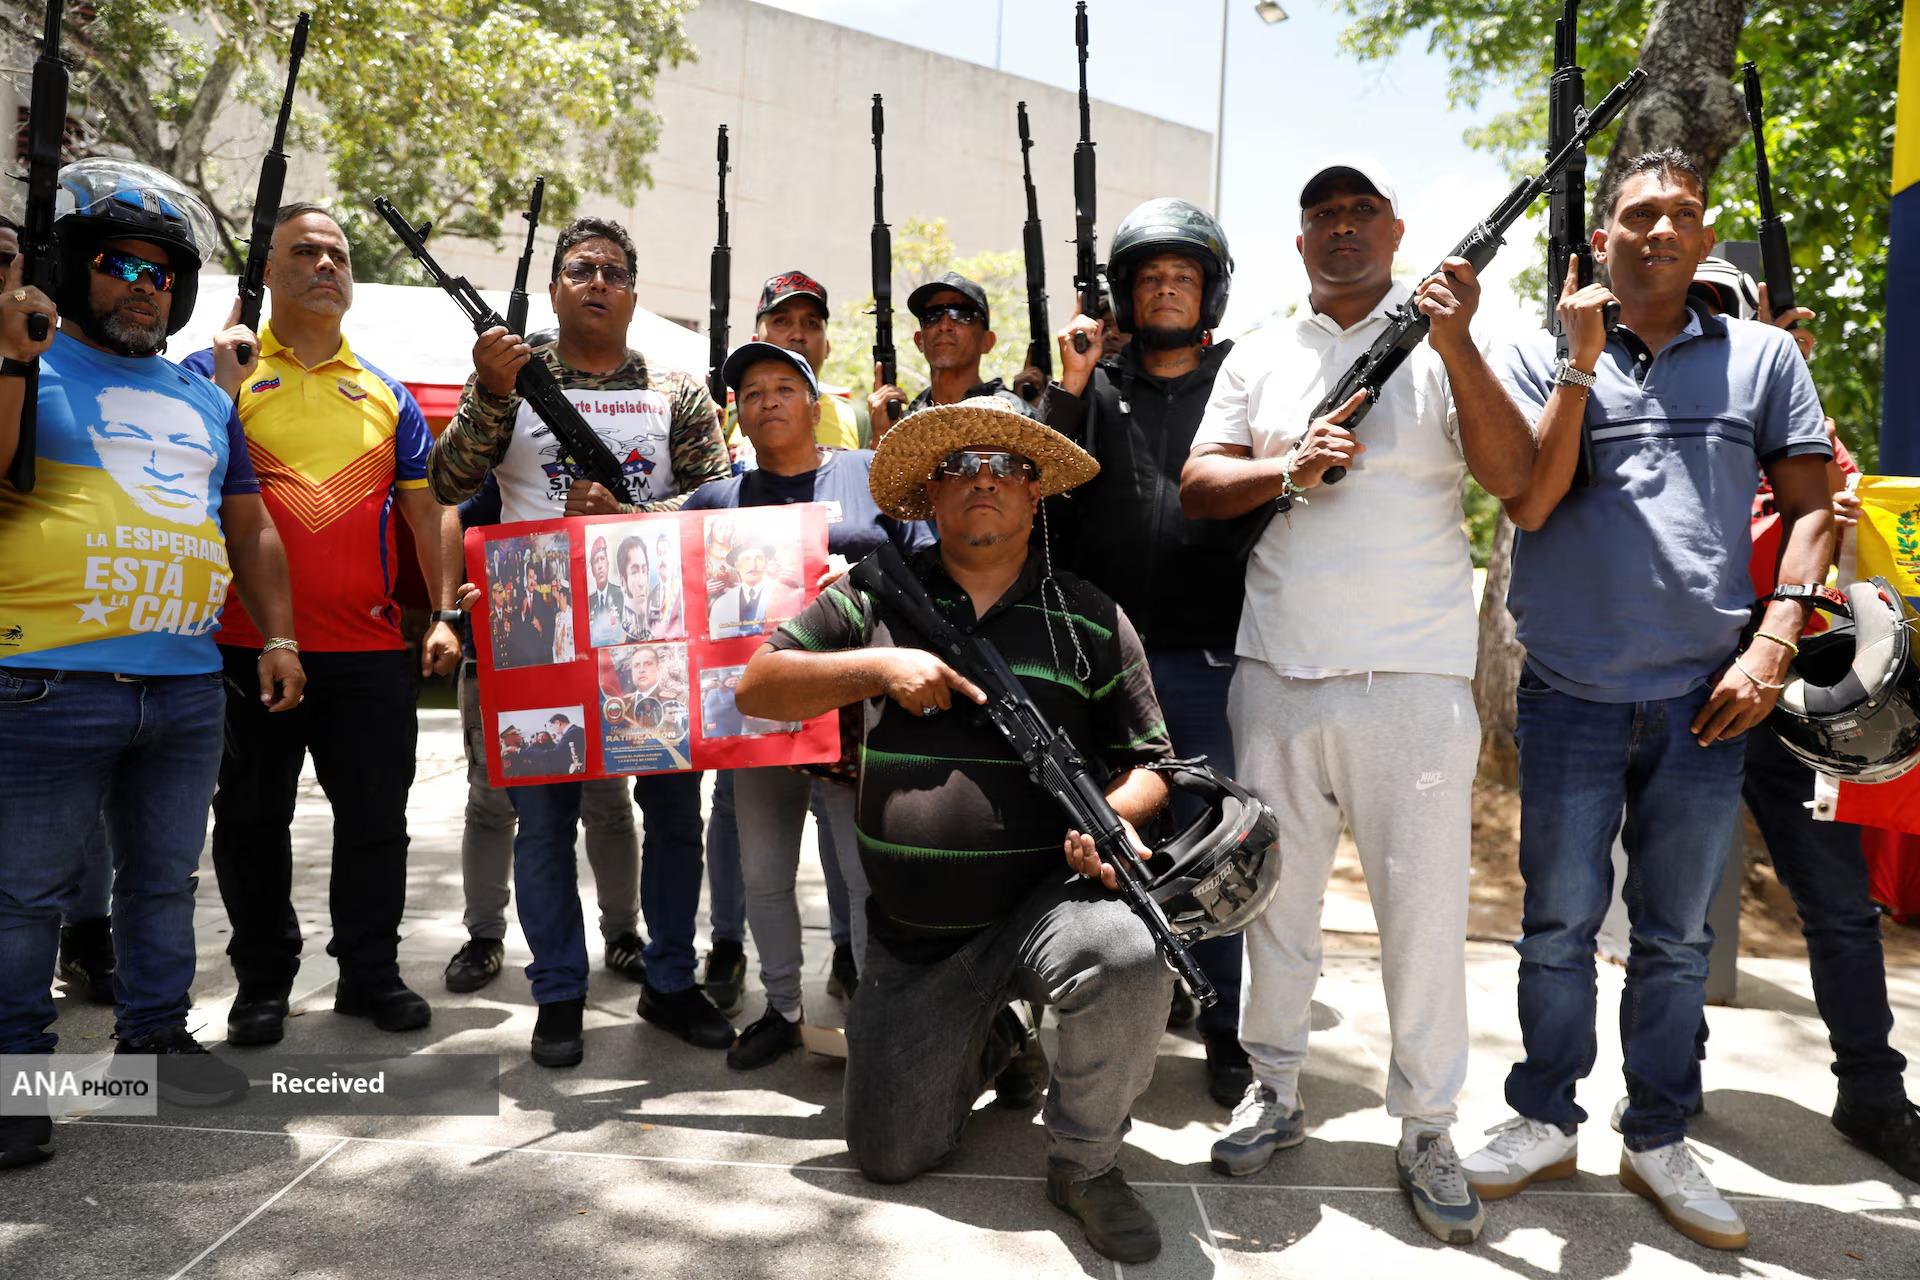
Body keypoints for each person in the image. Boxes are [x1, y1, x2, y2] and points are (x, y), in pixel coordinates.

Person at [1462, 150, 1834, 1253]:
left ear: (1703, 235)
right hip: (1569, 688)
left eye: (1682, 213)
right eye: (1639, 213)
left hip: (1707, 696)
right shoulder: (1539, 349)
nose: (1662, 228)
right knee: (1556, 926)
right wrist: (1578, 365)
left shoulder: (1764, 356)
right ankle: (1544, 1116)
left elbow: (1815, 511)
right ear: (1603, 238)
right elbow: (1527, 502)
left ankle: (1659, 1133)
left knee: (1674, 937)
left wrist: (1774, 643)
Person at [1179, 157, 1534, 1245]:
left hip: (1413, 680)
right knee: (1274, 903)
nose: (1342, 226)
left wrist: (1456, 339)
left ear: (1396, 229)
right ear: (1298, 243)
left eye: (1360, 211)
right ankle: (1275, 1087)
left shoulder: (1450, 339)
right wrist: (1288, 469)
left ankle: (1427, 1125)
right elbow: (1201, 483)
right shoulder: (1258, 353)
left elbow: (1513, 475)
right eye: (1322, 213)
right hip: (1277, 671)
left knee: (1421, 916)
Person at [734, 397, 1176, 1264]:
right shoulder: (876, 592)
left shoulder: (1089, 614)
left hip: (1049, 908)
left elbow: (1154, 764)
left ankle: (1086, 1164)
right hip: (915, 939)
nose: (984, 480)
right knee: (888, 1158)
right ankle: (1000, 1040)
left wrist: (1113, 820)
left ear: (1034, 491)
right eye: (961, 467)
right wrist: (879, 665)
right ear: (930, 493)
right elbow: (758, 687)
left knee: (1132, 953)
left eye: (1006, 466)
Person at [0, 159, 304, 1170]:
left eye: (163, 273)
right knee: (23, 895)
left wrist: (279, 636)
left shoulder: (202, 397)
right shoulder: (26, 360)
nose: (145, 286)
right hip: (45, 680)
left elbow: (249, 525)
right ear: (72, 265)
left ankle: (157, 1040)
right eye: (122, 265)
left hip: (184, 683)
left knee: (164, 880)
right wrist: (10, 356)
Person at [430, 215, 733, 1066]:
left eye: (614, 271)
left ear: (632, 294)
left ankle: (670, 982)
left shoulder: (675, 390)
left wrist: (630, 513)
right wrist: (490, 393)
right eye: (580, 269)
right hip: (536, 634)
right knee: (542, 827)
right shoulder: (511, 377)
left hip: (651, 633)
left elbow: (719, 500)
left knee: (673, 819)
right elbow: (446, 481)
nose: (598, 282)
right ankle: (558, 993)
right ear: (555, 289)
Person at [176, 203, 459, 1046]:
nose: (327, 265)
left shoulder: (387, 393)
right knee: (250, 821)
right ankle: (263, 982)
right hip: (244, 646)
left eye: (338, 255)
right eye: (305, 252)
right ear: (267, 271)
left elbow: (428, 512)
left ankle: (370, 974)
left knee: (376, 823)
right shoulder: (215, 371)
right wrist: (219, 386)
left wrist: (444, 612)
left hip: (370, 653)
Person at [1676, 259, 1920, 1181]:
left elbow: (1835, 524)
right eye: (1690, 305)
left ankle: (1874, 1095)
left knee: (1839, 907)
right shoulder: (1655, 412)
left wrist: (1846, 516)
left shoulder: (1795, 412)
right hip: (1686, 689)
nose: (1702, 322)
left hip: (1791, 690)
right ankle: (1668, 1076)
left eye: (1722, 308)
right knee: (1676, 909)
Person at [1046, 196, 1261, 1107]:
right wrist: (1069, 383)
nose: (1166, 289)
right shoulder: (1094, 384)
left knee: (1214, 846)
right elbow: (1046, 497)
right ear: (1126, 294)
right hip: (1106, 666)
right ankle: (1100, 1019)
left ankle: (1223, 1027)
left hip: (1211, 656)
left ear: (1208, 291)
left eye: (1182, 275)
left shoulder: (1245, 378)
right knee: (1103, 839)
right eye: (1149, 277)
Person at [683, 341, 932, 1068]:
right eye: (752, 393)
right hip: (756, 718)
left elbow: (929, 565)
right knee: (764, 872)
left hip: (856, 715)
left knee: (862, 876)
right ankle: (783, 1010)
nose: (768, 401)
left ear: (815, 404)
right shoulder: (714, 501)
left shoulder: (869, 473)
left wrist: (864, 579)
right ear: (738, 414)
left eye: (784, 387)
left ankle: (878, 1016)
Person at [445, 478, 649, 994]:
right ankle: (484, 936)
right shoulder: (494, 468)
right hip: (501, 663)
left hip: (594, 663)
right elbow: (445, 517)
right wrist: (448, 604)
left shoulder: (603, 470)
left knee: (608, 803)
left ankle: (623, 933)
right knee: (491, 804)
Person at [868, 272, 1037, 440]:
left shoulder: (1016, 419)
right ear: (919, 340)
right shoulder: (905, 426)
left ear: (987, 341)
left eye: (962, 314)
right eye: (932, 315)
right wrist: (881, 436)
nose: (944, 325)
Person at [726, 271, 867, 462]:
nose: (798, 335)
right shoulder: (727, 417)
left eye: (811, 323)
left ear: (827, 347)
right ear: (755, 340)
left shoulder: (859, 420)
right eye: (781, 321)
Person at [708, 543, 803, 638]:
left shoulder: (787, 596)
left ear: (766, 562)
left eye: (758, 559)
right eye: (746, 559)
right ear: (737, 565)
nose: (753, 565)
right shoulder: (721, 604)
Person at [585, 534, 624, 646]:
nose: (600, 566)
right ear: (592, 570)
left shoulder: (620, 594)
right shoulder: (588, 602)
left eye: (602, 559)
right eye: (596, 561)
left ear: (608, 564)